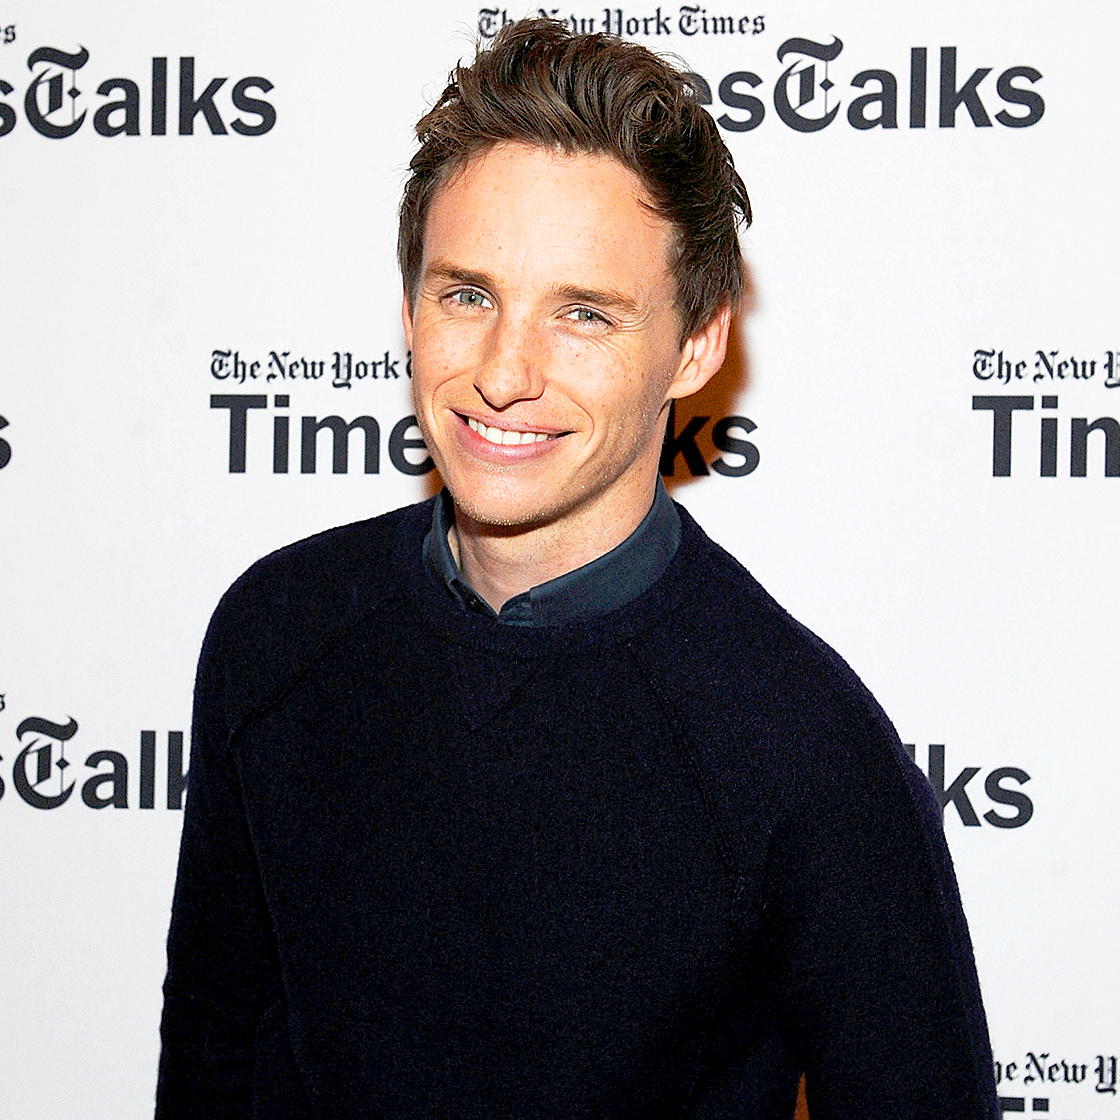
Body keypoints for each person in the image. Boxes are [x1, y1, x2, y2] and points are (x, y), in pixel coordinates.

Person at [156, 19, 1000, 1119]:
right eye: (468, 295)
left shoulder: (802, 748)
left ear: (696, 344)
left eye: (584, 313)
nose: (505, 373)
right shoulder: (278, 633)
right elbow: (213, 1057)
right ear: (408, 309)